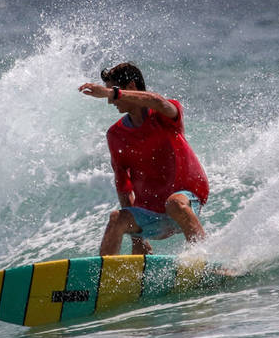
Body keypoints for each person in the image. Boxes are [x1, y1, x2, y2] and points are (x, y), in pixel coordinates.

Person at [78, 62, 210, 256]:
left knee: (175, 204)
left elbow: (157, 100)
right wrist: (138, 240)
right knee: (116, 219)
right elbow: (123, 186)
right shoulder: (116, 134)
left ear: (131, 87)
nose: (110, 101)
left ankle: (204, 262)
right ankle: (104, 278)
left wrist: (113, 93)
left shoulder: (164, 114)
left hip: (186, 200)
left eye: (112, 93)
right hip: (151, 215)